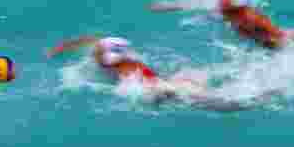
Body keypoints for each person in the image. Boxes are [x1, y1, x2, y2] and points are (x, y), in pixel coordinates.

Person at [45, 35, 275, 110]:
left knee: (216, 103)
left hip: (160, 86)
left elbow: (144, 89)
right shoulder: (118, 57)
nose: (95, 53)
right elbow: (90, 41)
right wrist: (62, 48)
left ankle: (257, 98)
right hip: (162, 81)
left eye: (100, 52)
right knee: (200, 84)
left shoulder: (118, 63)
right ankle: (253, 84)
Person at [150, 0, 294, 49]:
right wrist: (168, 6)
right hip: (265, 40)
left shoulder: (250, 18)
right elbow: (195, 5)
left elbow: (278, 36)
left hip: (279, 41)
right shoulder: (224, 7)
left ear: (232, 0)